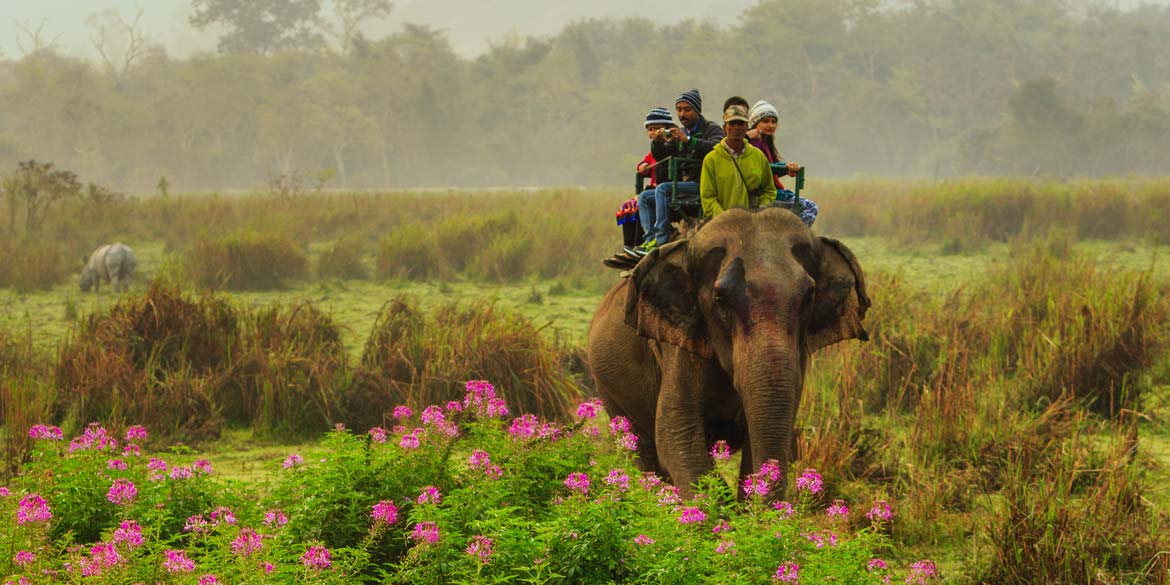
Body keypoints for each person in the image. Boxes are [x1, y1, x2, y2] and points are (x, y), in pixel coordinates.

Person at [633, 88, 725, 257]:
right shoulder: (680, 131)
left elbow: (717, 148)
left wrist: (689, 141)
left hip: (704, 184)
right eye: (679, 109)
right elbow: (662, 155)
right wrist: (658, 143)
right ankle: (649, 240)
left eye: (687, 109)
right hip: (685, 185)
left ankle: (661, 240)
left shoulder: (712, 129)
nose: (682, 114)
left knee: (663, 189)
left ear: (697, 110)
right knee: (645, 197)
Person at [603, 107, 677, 270]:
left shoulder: (673, 144)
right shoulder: (653, 148)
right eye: (650, 130)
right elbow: (645, 162)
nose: (654, 132)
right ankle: (629, 247)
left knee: (639, 203)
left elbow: (666, 162)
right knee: (627, 206)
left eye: (657, 128)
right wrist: (643, 165)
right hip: (654, 188)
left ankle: (641, 243)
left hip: (664, 187)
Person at [747, 100, 818, 227]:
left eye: (773, 121)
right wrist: (784, 168)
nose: (771, 125)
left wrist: (786, 169)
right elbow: (761, 170)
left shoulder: (765, 142)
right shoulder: (754, 144)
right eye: (765, 121)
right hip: (765, 192)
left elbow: (771, 169)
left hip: (773, 190)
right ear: (755, 123)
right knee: (810, 207)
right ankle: (793, 235)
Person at [699, 104, 775, 218]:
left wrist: (761, 209)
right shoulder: (711, 159)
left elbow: (769, 190)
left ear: (746, 127)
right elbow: (708, 197)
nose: (736, 128)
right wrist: (725, 217)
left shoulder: (758, 156)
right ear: (724, 127)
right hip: (721, 225)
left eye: (740, 124)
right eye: (732, 123)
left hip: (753, 222)